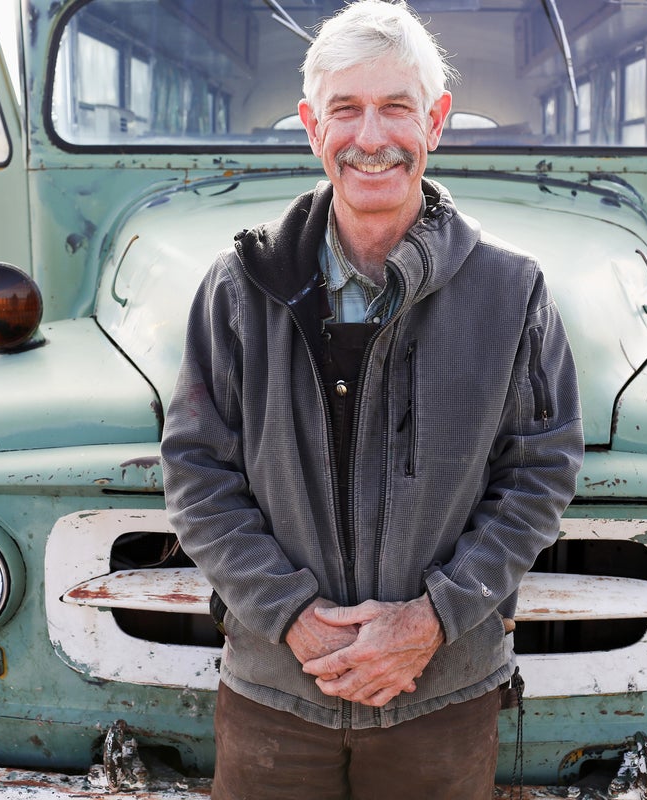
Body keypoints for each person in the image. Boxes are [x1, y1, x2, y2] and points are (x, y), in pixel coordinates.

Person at [160, 1, 584, 797]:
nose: (371, 137)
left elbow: (539, 473)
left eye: (396, 107)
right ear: (311, 125)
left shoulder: (511, 292)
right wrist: (291, 616)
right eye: (346, 110)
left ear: (437, 120)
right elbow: (196, 471)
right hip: (275, 694)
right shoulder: (239, 287)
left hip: (444, 698)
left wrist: (432, 620)